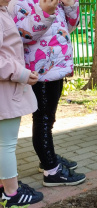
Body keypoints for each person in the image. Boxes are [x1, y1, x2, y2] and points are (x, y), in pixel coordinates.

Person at [8, 0, 86, 186]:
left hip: (57, 67)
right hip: (39, 70)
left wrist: (70, 5)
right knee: (42, 119)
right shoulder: (17, 3)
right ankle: (51, 170)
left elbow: (69, 27)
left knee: (48, 118)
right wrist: (44, 12)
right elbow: (20, 35)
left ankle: (48, 158)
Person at [0, 1, 44, 206]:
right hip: (5, 92)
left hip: (6, 90)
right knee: (5, 145)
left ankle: (5, 186)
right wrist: (22, 74)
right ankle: (11, 194)